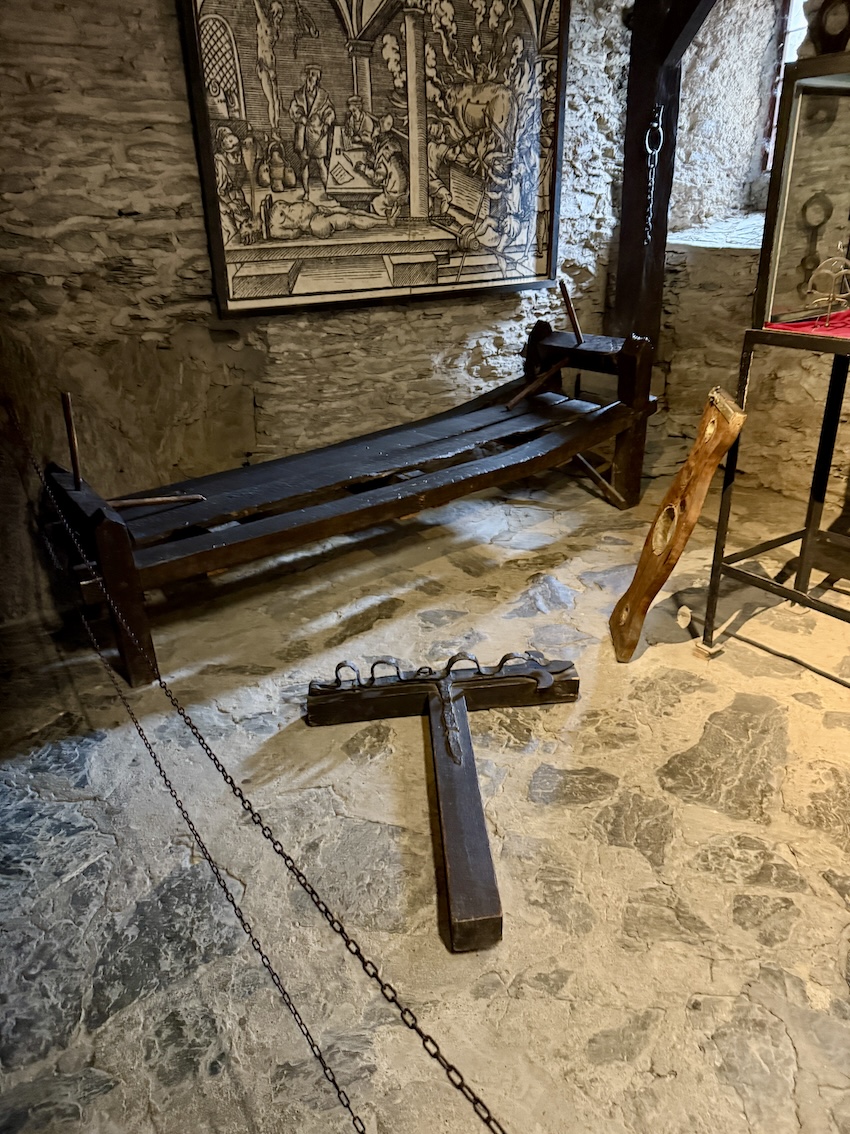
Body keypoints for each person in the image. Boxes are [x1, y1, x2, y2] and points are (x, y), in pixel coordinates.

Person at [289, 65, 335, 198]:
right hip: (303, 134)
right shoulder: (298, 95)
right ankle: (306, 193)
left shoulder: (323, 96)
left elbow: (330, 112)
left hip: (317, 133)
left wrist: (327, 123)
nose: (310, 77)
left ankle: (328, 192)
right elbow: (293, 110)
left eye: (313, 75)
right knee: (304, 164)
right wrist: (300, 118)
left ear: (318, 78)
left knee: (321, 163)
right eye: (309, 74)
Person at [355, 117, 408, 223]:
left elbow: (377, 178)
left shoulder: (384, 155)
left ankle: (389, 216)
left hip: (394, 193)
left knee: (375, 204)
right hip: (405, 190)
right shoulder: (393, 143)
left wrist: (364, 169)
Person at [214, 126, 255, 245]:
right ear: (225, 153)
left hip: (235, 198)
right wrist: (230, 203)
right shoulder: (221, 163)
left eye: (238, 153)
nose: (237, 157)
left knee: (247, 223)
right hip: (223, 203)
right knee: (232, 232)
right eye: (233, 154)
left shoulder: (238, 163)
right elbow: (221, 191)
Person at [254, 0, 284, 129]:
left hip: (272, 65)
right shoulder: (265, 23)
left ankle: (276, 128)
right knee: (271, 100)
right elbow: (259, 10)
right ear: (273, 12)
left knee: (277, 99)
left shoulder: (276, 27)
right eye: (278, 13)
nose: (280, 17)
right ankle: (273, 129)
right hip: (264, 65)